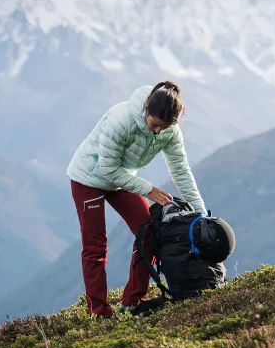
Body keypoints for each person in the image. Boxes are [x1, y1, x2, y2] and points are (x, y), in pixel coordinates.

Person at [66, 80, 207, 319]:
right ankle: (99, 313)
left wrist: (201, 215)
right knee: (95, 245)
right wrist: (148, 190)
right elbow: (108, 169)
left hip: (121, 179)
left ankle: (133, 301)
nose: (157, 132)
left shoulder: (169, 131)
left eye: (163, 128)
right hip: (88, 178)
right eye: (154, 125)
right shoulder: (121, 120)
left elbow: (181, 171)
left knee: (150, 232)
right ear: (146, 111)